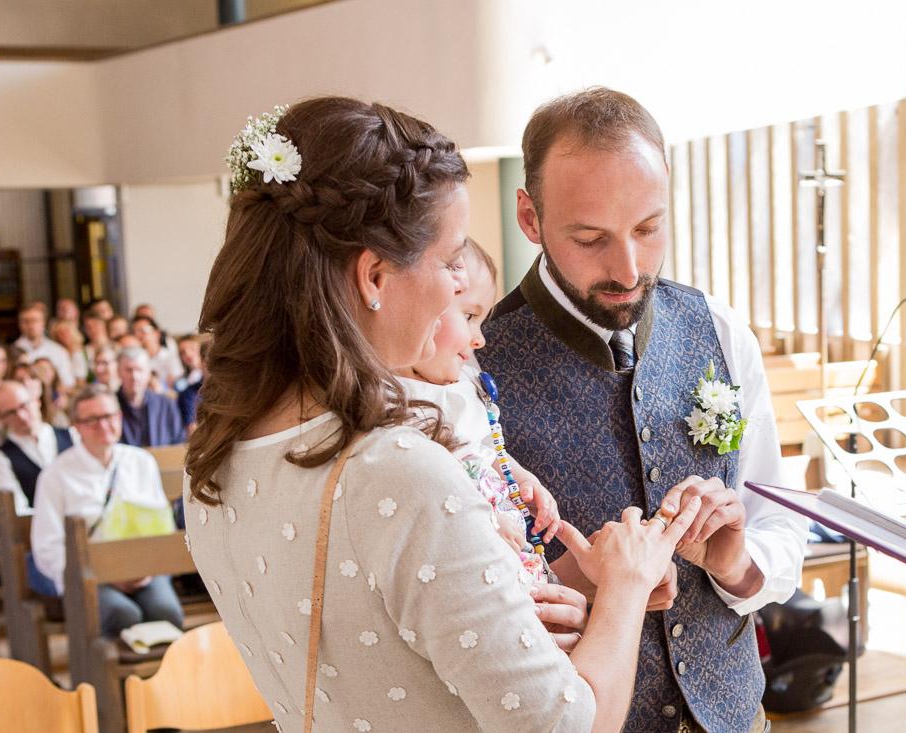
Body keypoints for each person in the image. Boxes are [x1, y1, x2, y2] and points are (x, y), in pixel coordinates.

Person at [184, 97, 701, 733]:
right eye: (451, 259)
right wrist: (626, 585)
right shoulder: (394, 472)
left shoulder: (213, 459)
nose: (460, 289)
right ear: (374, 275)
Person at [477, 87, 809, 733]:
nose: (628, 268)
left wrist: (737, 566)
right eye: (591, 237)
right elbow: (475, 601)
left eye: (648, 228)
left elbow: (780, 522)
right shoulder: (474, 367)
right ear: (529, 217)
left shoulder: (719, 328)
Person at [397, 240, 561, 582]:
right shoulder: (398, 402)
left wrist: (521, 479)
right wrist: (484, 521)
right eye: (469, 316)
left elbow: (487, 448)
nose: (479, 339)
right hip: (466, 549)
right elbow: (431, 487)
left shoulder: (465, 384)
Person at [32, 384, 183, 636]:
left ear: (120, 417)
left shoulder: (140, 462)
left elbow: (162, 526)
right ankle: (115, 675)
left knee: (166, 613)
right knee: (122, 615)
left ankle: (162, 676)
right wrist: (104, 572)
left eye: (109, 417)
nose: (103, 426)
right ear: (76, 426)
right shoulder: (56, 475)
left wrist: (148, 568)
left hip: (144, 571)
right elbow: (46, 547)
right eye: (92, 420)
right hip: (89, 576)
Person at [0, 381, 76, 596]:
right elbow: (16, 513)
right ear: (1, 419)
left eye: (24, 405)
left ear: (36, 402)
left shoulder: (71, 436)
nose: (22, 416)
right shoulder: (1, 457)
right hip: (38, 544)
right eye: (11, 412)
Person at [116, 347, 184, 447]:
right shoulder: (109, 406)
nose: (134, 376)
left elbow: (179, 442)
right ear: (119, 372)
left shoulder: (166, 404)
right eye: (128, 370)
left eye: (139, 370)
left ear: (148, 373)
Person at [13, 305, 76, 389]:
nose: (31, 325)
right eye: (26, 321)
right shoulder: (12, 351)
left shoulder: (58, 351)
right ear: (20, 324)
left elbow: (68, 382)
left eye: (35, 321)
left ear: (43, 323)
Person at [131, 316, 182, 391]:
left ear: (157, 333)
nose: (138, 335)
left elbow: (177, 381)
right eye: (135, 331)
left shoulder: (169, 356)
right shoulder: (135, 359)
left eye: (143, 330)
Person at [174, 334, 204, 427]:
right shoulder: (180, 381)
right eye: (183, 352)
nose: (187, 354)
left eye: (191, 348)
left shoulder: (211, 377)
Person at [50, 319, 89, 385]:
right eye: (60, 333)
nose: (64, 335)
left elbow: (81, 379)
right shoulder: (56, 352)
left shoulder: (80, 352)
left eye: (66, 331)